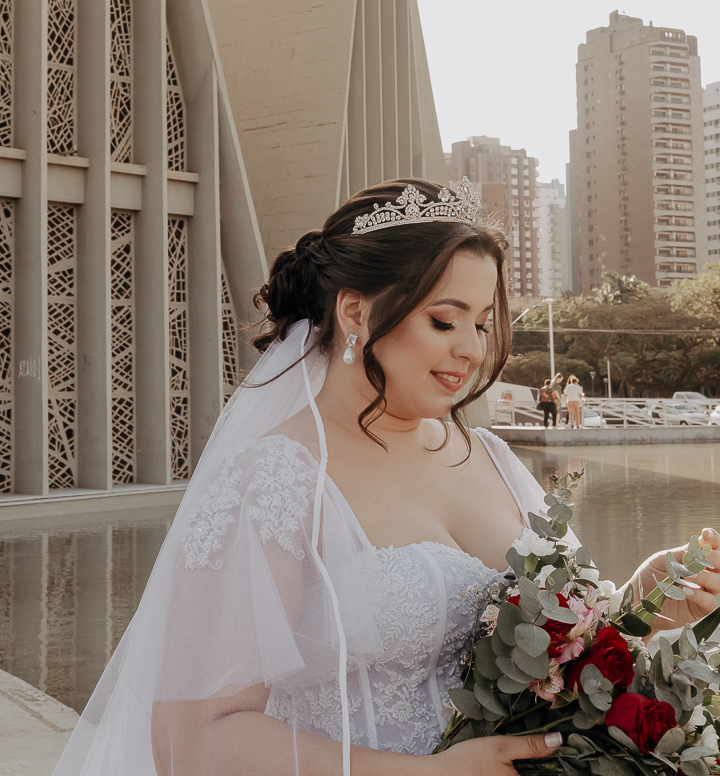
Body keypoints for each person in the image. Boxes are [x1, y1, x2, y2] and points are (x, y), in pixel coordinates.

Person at [52, 178, 720, 776]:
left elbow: (544, 654)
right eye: (444, 320)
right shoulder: (274, 481)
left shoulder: (489, 454)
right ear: (355, 313)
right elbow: (192, 740)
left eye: (482, 323)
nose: (472, 348)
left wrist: (644, 603)